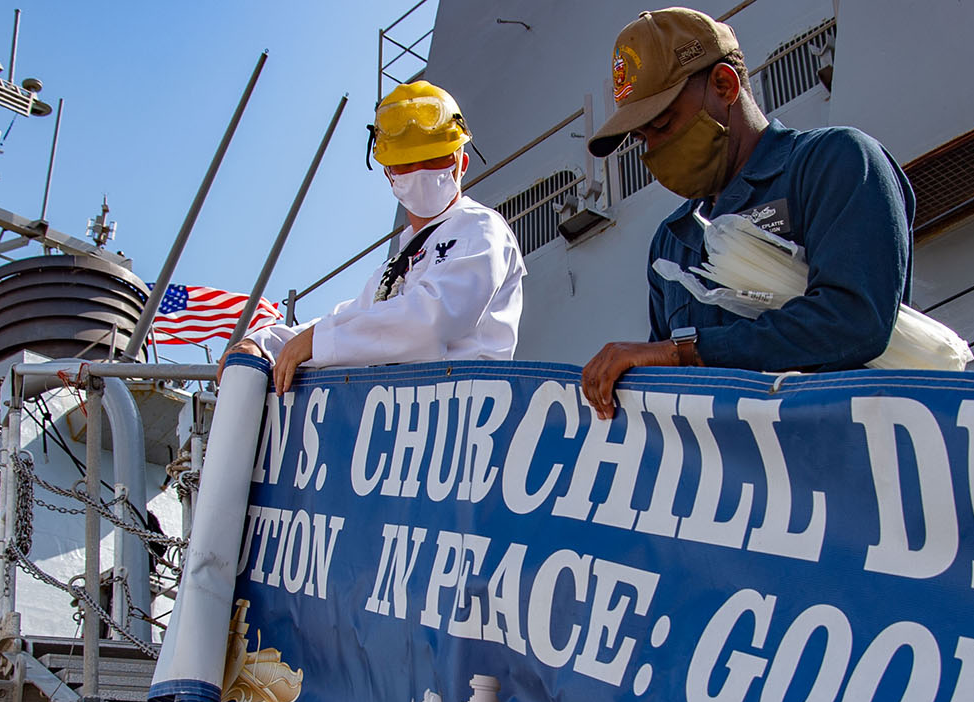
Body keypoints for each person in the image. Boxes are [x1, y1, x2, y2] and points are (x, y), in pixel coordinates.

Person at [580, 8, 915, 419]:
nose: (652, 152)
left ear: (724, 84)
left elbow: (853, 320)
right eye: (641, 138)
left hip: (846, 460)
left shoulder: (835, 161)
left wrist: (681, 352)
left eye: (663, 124)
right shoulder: (671, 245)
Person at [224, 81, 526, 391]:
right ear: (389, 175)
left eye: (436, 159)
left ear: (461, 163)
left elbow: (434, 320)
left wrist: (318, 341)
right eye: (407, 164)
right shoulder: (394, 267)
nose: (421, 171)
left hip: (463, 413)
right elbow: (353, 319)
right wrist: (263, 343)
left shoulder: (481, 228)